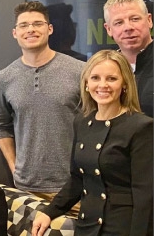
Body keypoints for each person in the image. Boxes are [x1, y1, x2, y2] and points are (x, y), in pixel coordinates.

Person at [32, 50, 153, 235]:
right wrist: (50, 212)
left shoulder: (141, 127)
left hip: (122, 227)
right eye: (95, 78)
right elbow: (78, 179)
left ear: (125, 84)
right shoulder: (81, 121)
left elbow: (145, 196)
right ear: (87, 84)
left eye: (111, 79)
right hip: (86, 224)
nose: (102, 85)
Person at [0, 1, 84, 204]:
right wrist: (14, 167)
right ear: (15, 33)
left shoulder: (80, 71)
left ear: (49, 29)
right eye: (23, 25)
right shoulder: (4, 78)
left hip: (72, 188)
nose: (30, 29)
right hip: (25, 190)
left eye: (37, 24)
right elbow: (0, 125)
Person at [103, 0, 153, 117]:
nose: (128, 27)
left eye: (135, 19)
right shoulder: (103, 68)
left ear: (149, 20)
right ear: (108, 29)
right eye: (119, 23)